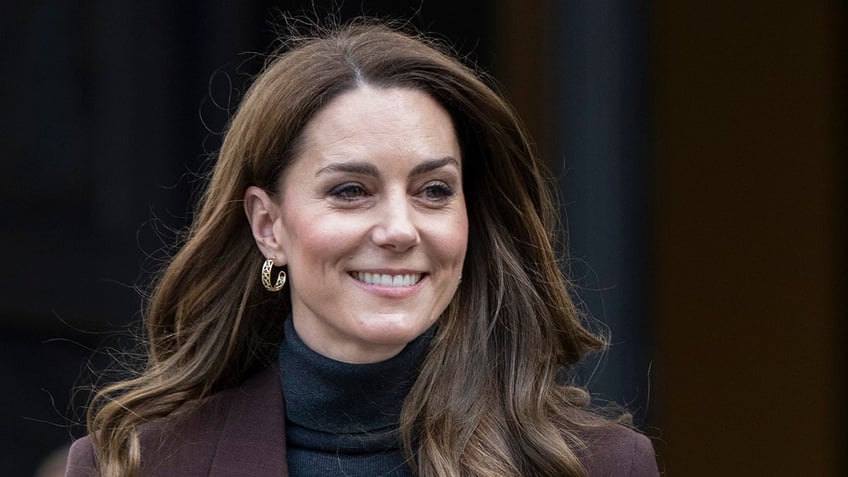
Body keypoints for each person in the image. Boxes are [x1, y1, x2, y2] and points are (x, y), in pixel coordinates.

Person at [65, 19, 659, 477]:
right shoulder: (133, 466)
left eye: (433, 191)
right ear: (268, 225)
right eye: (351, 191)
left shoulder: (598, 466)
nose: (399, 229)